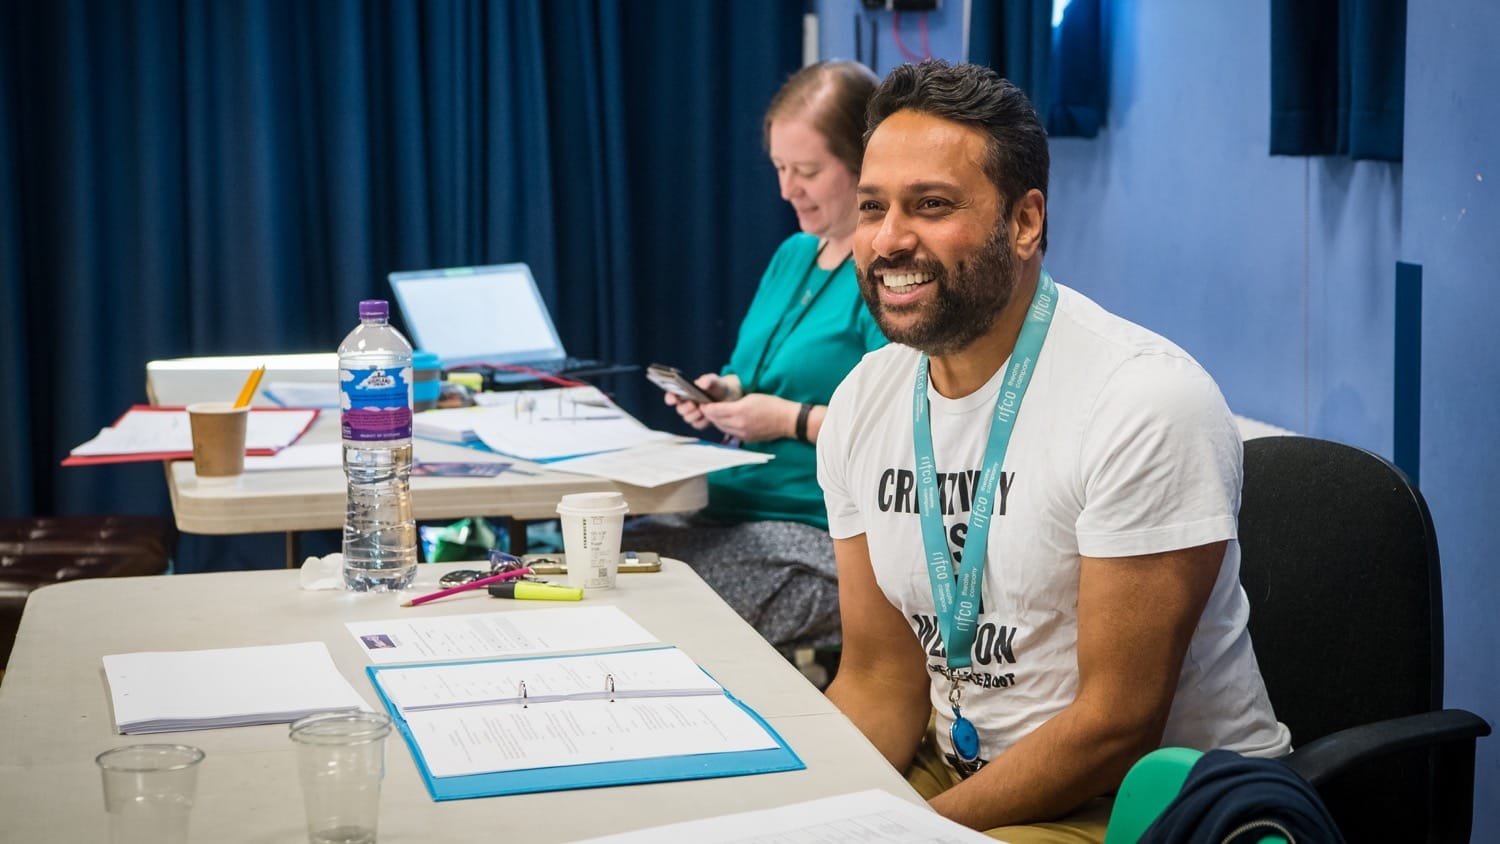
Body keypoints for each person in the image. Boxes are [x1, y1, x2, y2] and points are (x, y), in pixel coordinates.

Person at [816, 60, 1291, 841]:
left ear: (1025, 221)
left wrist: (909, 833)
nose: (890, 239)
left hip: (1140, 804)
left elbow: (1115, 727)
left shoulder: (1142, 400)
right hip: (960, 774)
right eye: (873, 207)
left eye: (931, 205)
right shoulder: (863, 402)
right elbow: (878, 680)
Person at [628, 61, 887, 652]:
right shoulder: (794, 254)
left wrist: (788, 420)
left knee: (638, 603)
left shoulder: (888, 275)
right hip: (732, 507)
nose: (787, 189)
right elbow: (762, 375)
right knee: (597, 560)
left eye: (807, 172)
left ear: (864, 162)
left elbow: (898, 433)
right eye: (779, 168)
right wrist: (727, 393)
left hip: (814, 530)